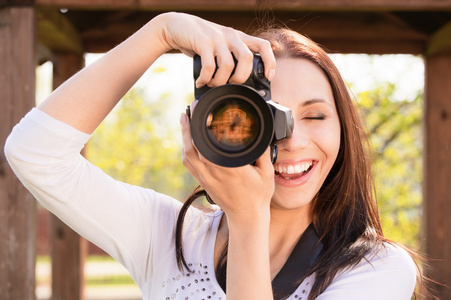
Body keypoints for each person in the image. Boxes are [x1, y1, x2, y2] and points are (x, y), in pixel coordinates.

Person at [5, 12, 423, 300]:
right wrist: (161, 31)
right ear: (218, 128)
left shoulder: (378, 269)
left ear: (343, 130)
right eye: (268, 117)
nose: (293, 140)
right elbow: (35, 153)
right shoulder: (172, 237)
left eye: (314, 115)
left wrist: (247, 218)